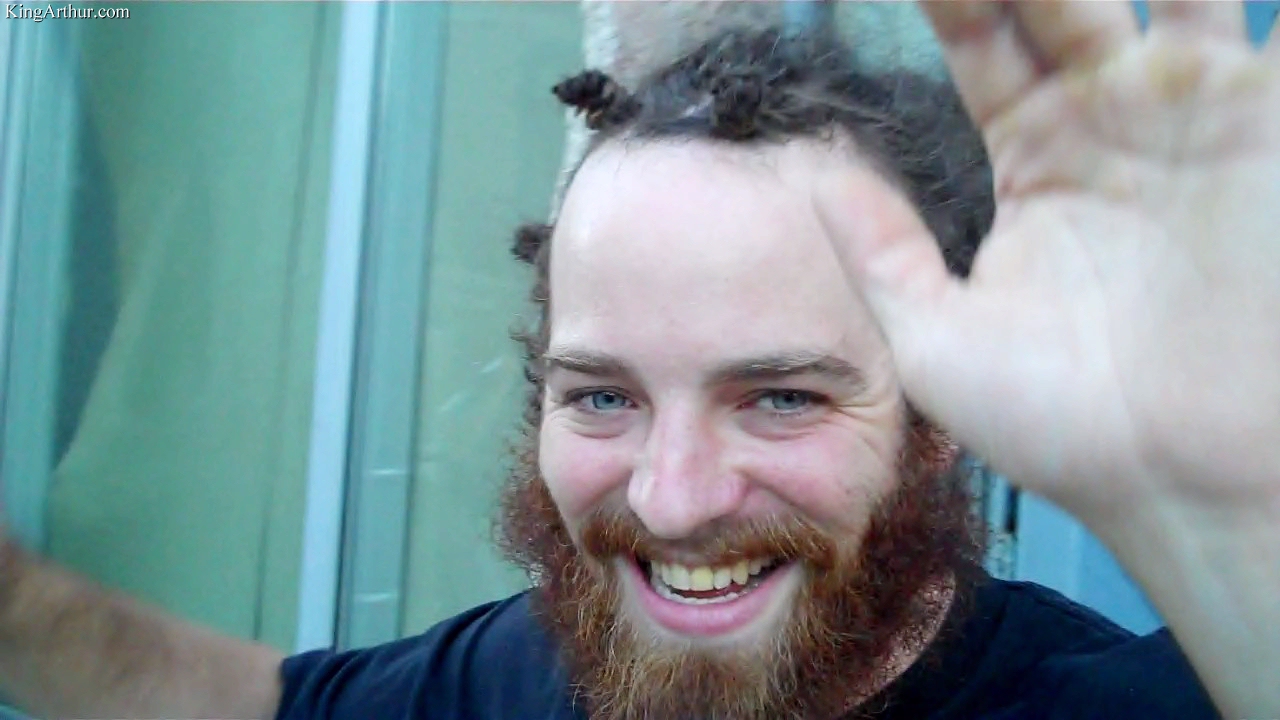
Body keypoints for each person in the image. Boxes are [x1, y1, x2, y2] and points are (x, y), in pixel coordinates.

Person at [1, 2, 1277, 718]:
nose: (669, 502)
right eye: (602, 395)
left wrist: (1231, 532)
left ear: (939, 418)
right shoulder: (530, 674)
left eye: (778, 398)